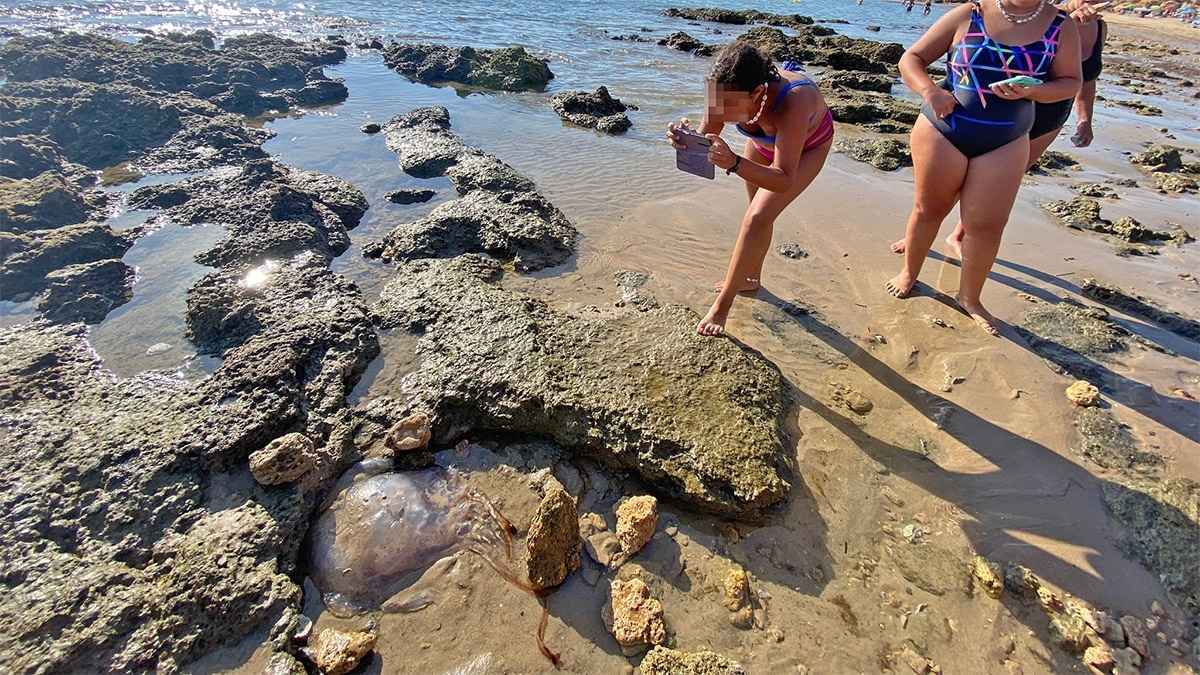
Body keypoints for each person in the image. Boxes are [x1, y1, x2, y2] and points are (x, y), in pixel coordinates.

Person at [886, 0, 1080, 334]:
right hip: (944, 129)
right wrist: (930, 90)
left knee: (987, 225)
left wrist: (1036, 89)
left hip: (1007, 138)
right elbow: (911, 59)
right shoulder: (970, 13)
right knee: (929, 209)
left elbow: (1070, 82)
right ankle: (909, 273)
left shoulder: (1061, 25)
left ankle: (970, 298)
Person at [891, 0, 1105, 257]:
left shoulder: (1097, 27)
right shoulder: (1053, 16)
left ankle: (959, 236)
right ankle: (921, 233)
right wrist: (1068, 15)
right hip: (991, 107)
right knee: (947, 186)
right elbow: (1026, 19)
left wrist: (1085, 119)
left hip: (1048, 116)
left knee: (988, 197)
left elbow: (1086, 79)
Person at [667, 43, 834, 337]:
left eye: (728, 105)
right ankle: (750, 278)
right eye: (716, 102)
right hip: (762, 144)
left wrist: (733, 162)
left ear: (757, 93)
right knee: (757, 214)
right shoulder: (724, 91)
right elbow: (709, 133)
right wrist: (685, 139)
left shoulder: (795, 102)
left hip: (809, 148)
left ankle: (722, 305)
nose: (721, 111)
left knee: (756, 218)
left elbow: (782, 178)